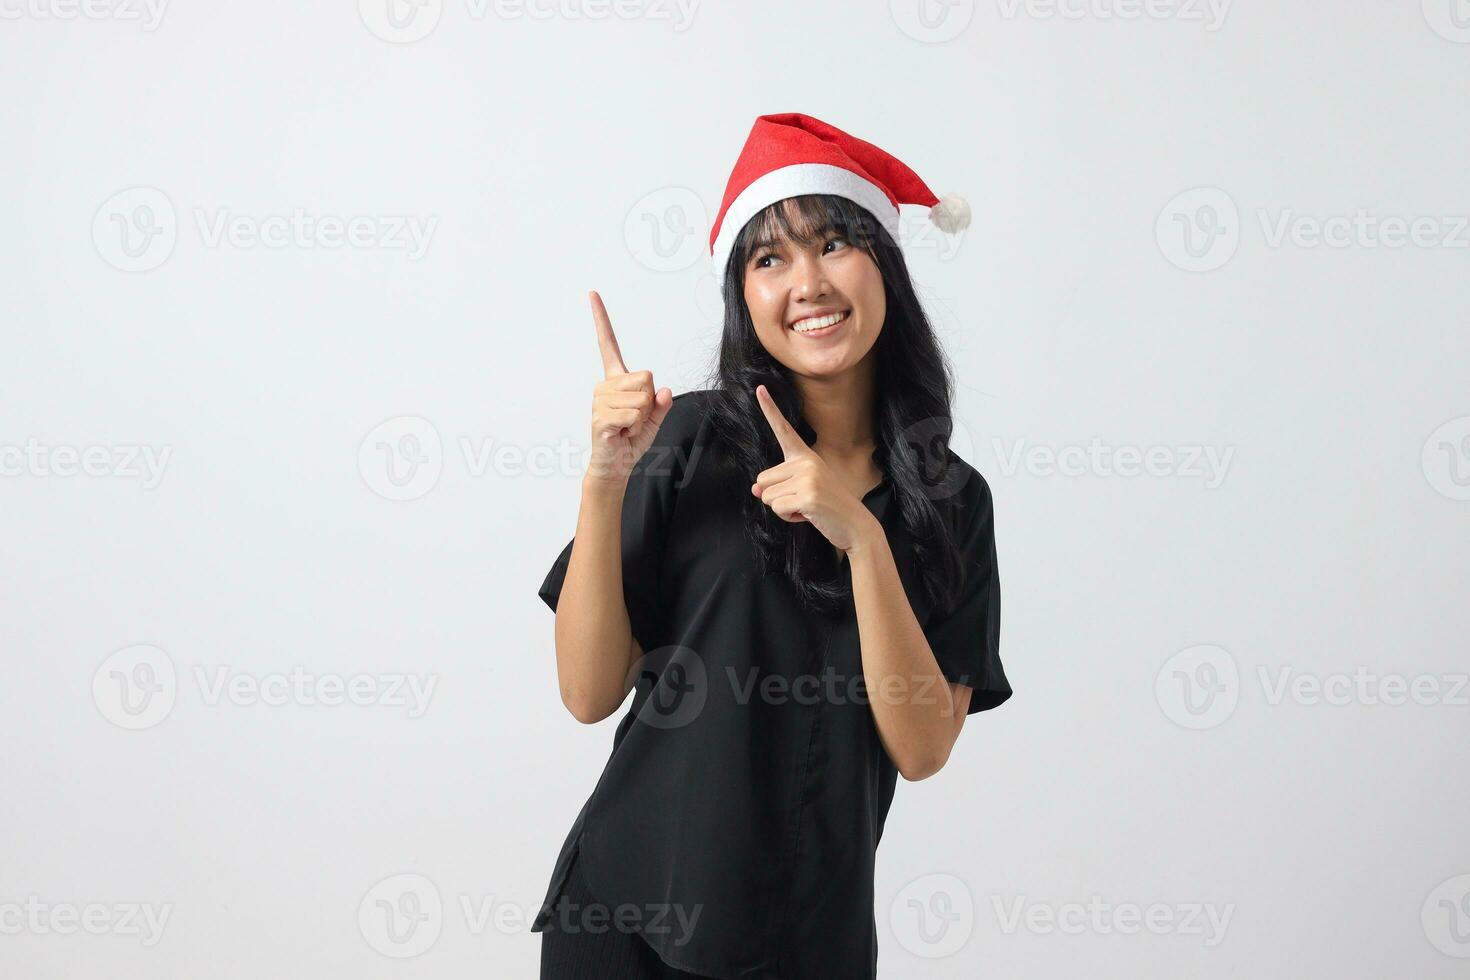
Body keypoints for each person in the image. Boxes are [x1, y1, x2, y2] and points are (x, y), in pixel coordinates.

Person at [533, 112, 1012, 979]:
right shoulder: (685, 440)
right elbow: (587, 693)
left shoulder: (953, 501)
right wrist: (605, 478)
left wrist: (863, 539)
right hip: (627, 919)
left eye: (834, 242)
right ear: (744, 299)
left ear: (885, 269)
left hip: (808, 938)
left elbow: (922, 749)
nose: (808, 283)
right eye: (770, 258)